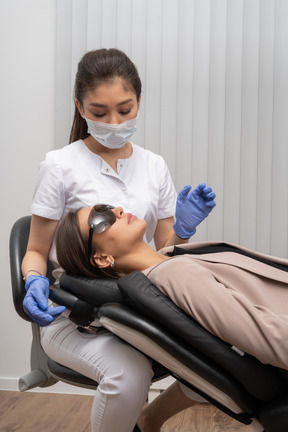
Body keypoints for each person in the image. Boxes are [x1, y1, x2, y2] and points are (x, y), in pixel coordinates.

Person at [21, 48, 216, 432]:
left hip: (143, 306)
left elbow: (162, 253)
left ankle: (151, 420)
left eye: (125, 110)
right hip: (77, 315)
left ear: (139, 102)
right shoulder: (60, 166)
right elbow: (35, 251)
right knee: (128, 377)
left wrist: (185, 229)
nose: (113, 122)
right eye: (99, 112)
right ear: (79, 107)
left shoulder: (153, 165)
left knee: (222, 356)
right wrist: (33, 280)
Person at [55, 204, 288, 430]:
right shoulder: (176, 275)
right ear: (103, 258)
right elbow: (270, 339)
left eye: (107, 207)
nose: (117, 211)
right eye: (102, 221)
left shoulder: (169, 259)